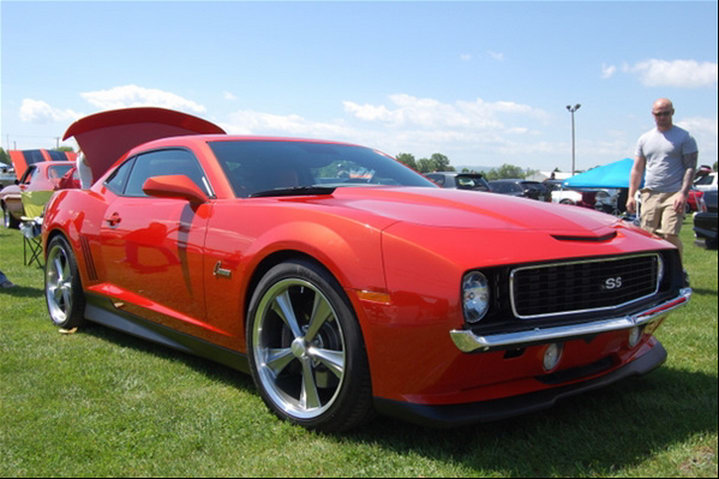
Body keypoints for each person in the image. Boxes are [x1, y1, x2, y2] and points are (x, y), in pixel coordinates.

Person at [626, 98, 698, 260]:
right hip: (650, 193)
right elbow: (637, 169)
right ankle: (653, 272)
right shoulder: (645, 139)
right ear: (653, 114)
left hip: (674, 192)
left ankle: (678, 272)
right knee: (647, 236)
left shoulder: (685, 137)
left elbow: (690, 167)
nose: (662, 117)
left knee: (669, 234)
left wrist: (683, 193)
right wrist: (631, 195)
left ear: (672, 112)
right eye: (658, 114)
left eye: (666, 113)